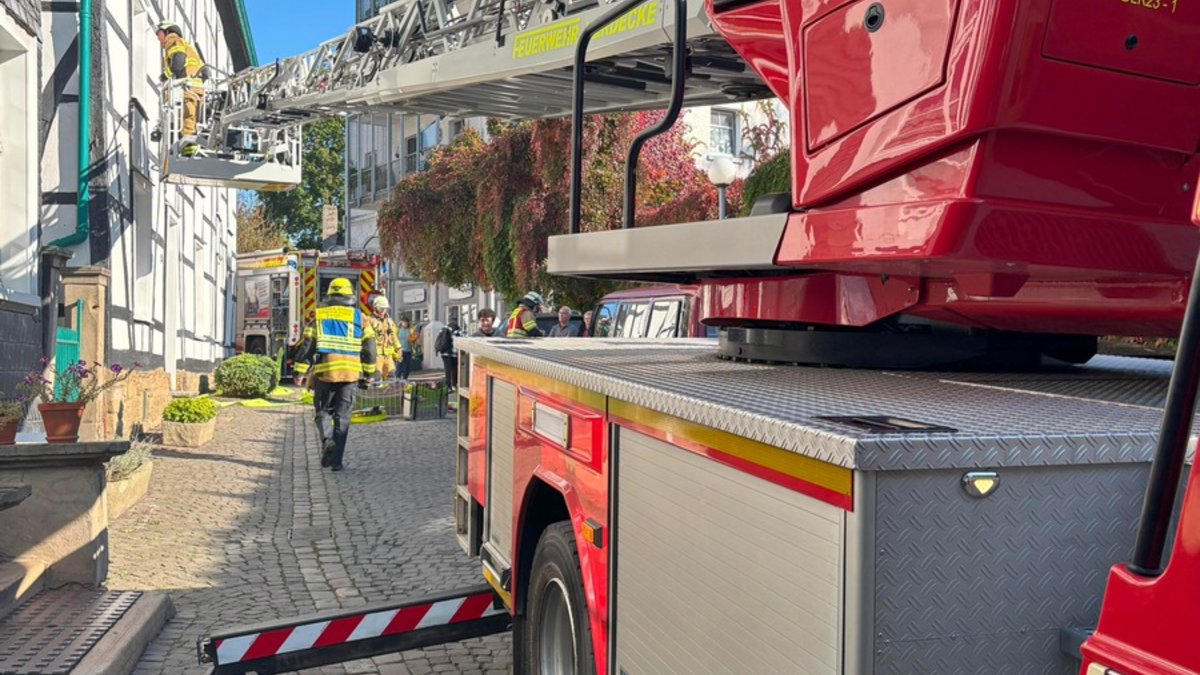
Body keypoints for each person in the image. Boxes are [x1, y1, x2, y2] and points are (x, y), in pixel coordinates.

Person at [293, 277, 376, 472]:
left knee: (322, 412)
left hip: (325, 374)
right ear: (350, 295)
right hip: (350, 375)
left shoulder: (319, 316)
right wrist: (369, 374)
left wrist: (299, 371)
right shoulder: (361, 317)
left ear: (329, 295)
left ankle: (326, 439)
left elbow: (307, 346)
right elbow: (370, 348)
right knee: (343, 418)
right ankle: (336, 462)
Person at [155, 21, 207, 157]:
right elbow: (205, 71)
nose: (157, 37)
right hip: (196, 88)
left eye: (158, 33)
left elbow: (178, 62)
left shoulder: (172, 40)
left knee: (186, 120)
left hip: (186, 86)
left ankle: (187, 150)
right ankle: (188, 149)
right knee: (189, 119)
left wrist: (165, 76)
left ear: (167, 31)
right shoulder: (189, 47)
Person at [367, 295, 401, 381]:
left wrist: (398, 348)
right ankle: (377, 393)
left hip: (388, 355)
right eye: (381, 308)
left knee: (391, 375)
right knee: (377, 377)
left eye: (385, 308)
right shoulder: (370, 320)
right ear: (375, 307)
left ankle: (389, 394)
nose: (383, 310)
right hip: (376, 355)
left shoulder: (389, 321)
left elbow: (393, 336)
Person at [436, 321, 464, 392]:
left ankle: (448, 386)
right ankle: (454, 385)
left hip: (444, 353)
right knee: (454, 369)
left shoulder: (443, 329)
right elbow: (462, 340)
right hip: (454, 353)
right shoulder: (458, 330)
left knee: (447, 370)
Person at [396, 316, 415, 381]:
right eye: (404, 322)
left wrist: (413, 340)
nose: (405, 323)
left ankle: (405, 378)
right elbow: (395, 338)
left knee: (406, 365)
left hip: (408, 350)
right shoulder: (398, 329)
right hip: (400, 350)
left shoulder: (410, 330)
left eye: (406, 322)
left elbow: (413, 340)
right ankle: (397, 377)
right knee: (399, 364)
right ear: (401, 322)